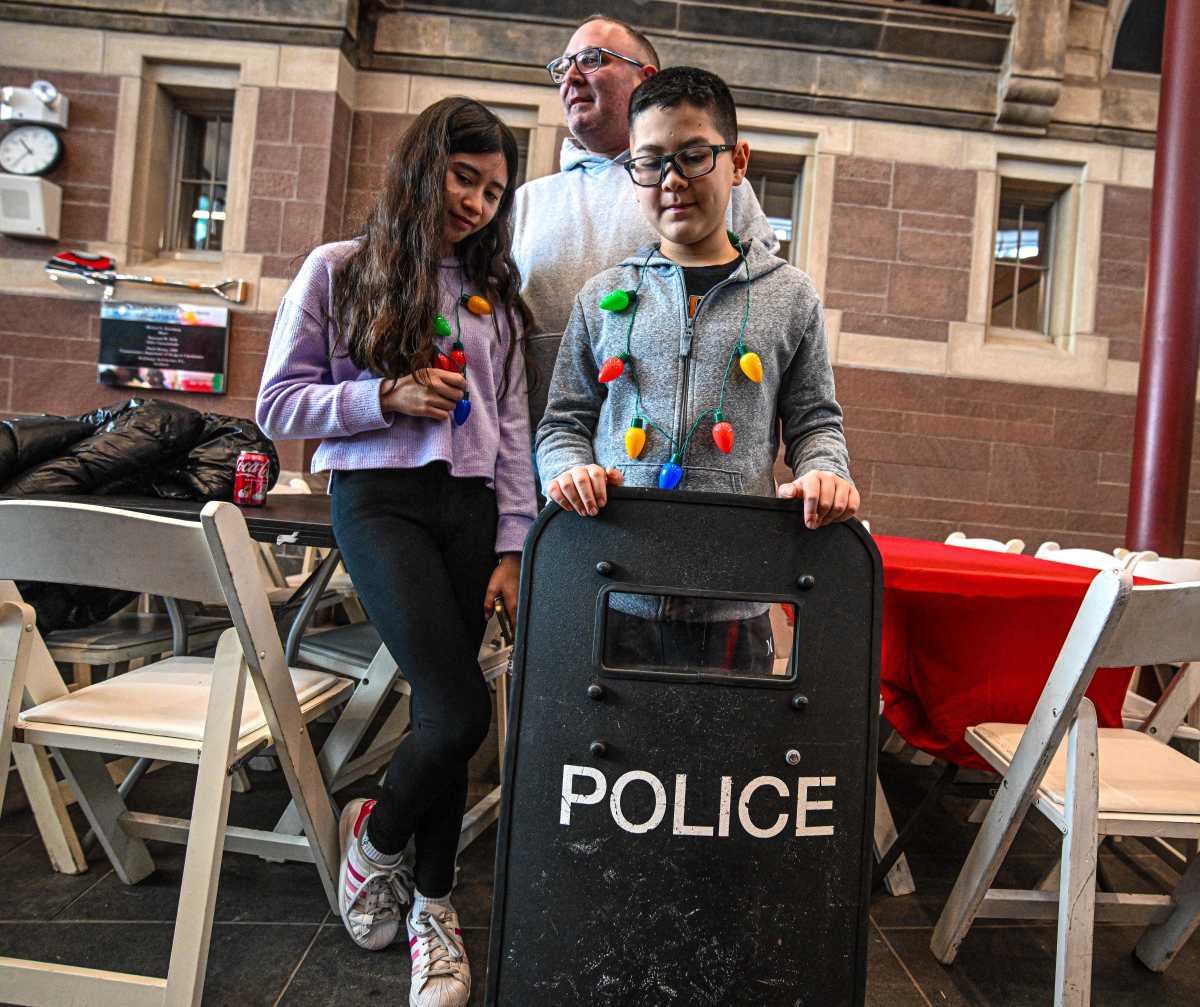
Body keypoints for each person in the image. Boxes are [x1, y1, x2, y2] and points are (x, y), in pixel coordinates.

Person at [256, 97, 536, 1007]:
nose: (477, 204)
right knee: (456, 713)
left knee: (443, 722)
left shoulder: (498, 296)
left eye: (494, 191)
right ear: (425, 165)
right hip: (377, 501)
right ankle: (375, 839)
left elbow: (517, 431)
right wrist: (386, 397)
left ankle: (433, 908)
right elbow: (279, 404)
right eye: (465, 178)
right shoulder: (339, 271)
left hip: (469, 511)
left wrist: (513, 543)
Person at [535, 66, 858, 672]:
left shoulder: (791, 298)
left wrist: (824, 473)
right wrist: (569, 468)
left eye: (693, 156)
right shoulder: (601, 295)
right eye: (650, 161)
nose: (672, 180)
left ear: (737, 161)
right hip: (612, 587)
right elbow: (562, 423)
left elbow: (816, 422)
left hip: (734, 598)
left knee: (726, 758)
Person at [512, 14, 779, 431]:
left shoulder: (711, 180)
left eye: (591, 59)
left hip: (666, 452)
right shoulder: (527, 201)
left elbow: (761, 301)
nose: (571, 78)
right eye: (563, 68)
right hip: (540, 456)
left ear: (645, 78)